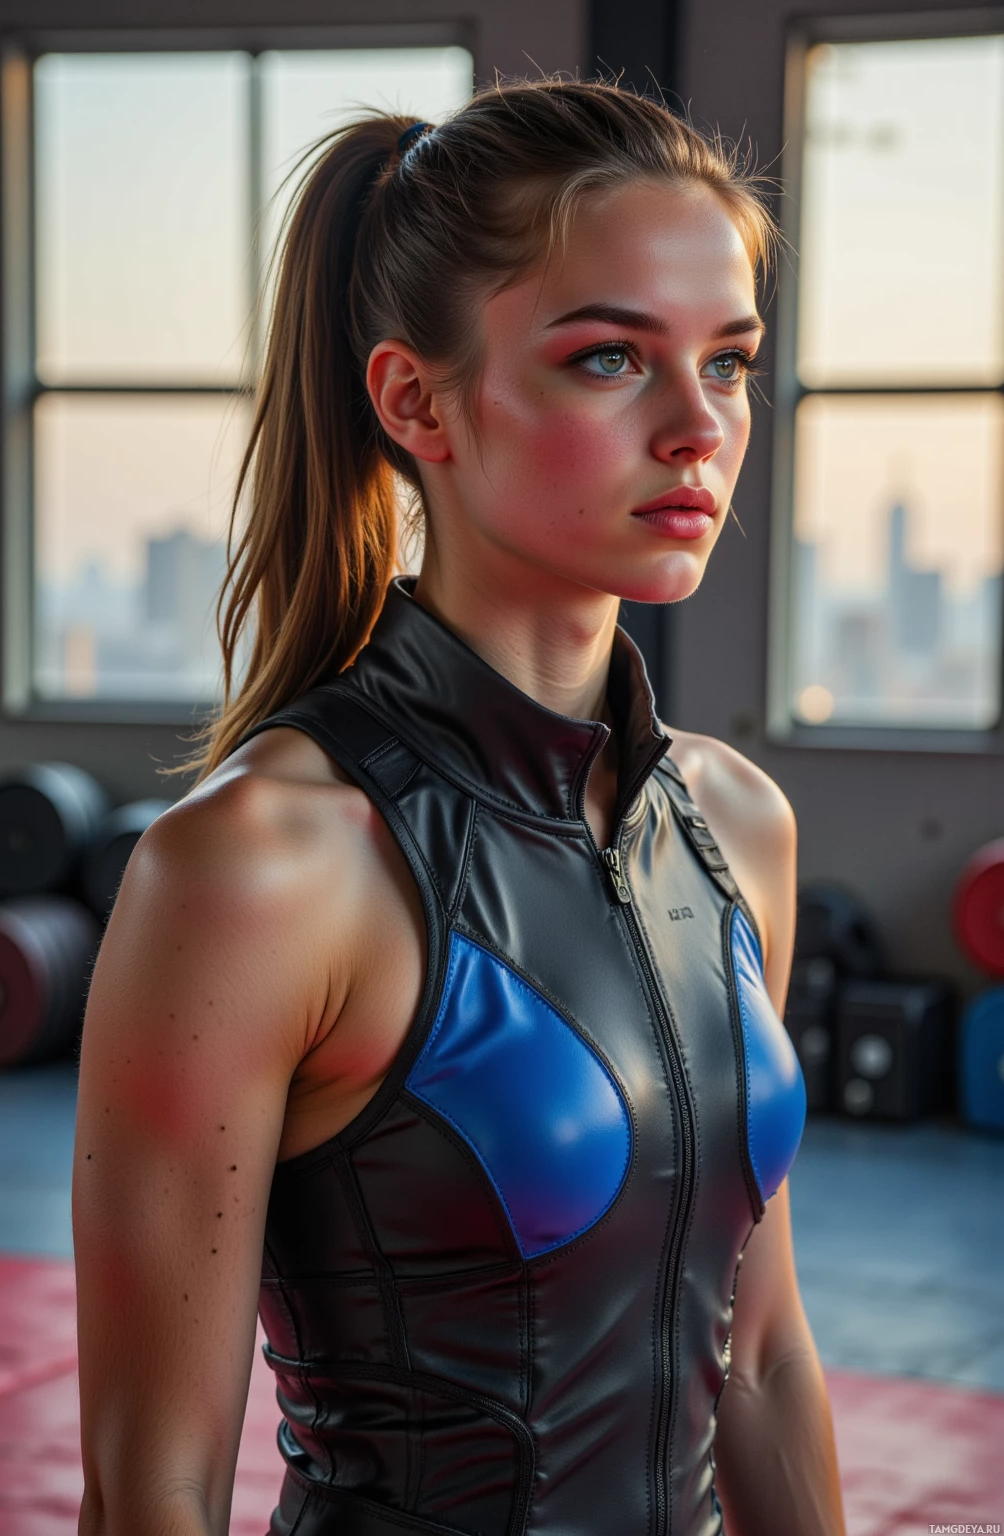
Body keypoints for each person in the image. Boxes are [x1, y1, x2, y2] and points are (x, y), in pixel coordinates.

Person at [74, 79, 847, 1536]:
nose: (699, 428)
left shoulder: (737, 826)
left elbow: (763, 1358)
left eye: (730, 362)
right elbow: (147, 1494)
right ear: (414, 400)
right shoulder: (262, 868)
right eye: (612, 356)